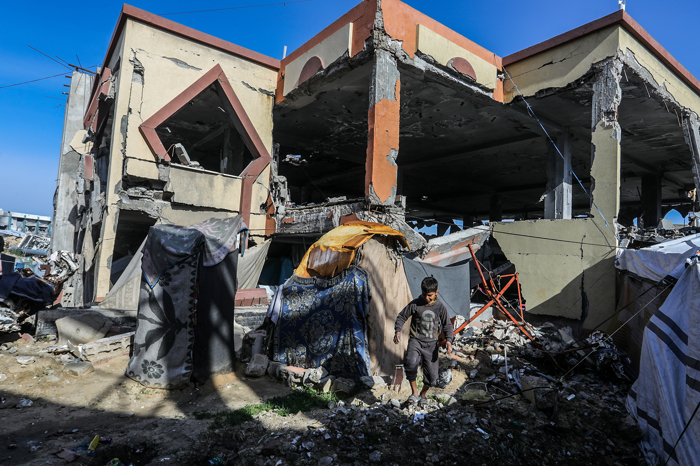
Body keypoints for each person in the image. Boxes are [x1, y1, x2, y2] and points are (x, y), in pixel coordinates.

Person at [394, 276, 453, 407]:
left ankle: (423, 395)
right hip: (415, 341)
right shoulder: (415, 304)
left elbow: (447, 325)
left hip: (432, 344)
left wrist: (449, 340)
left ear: (436, 292)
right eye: (424, 294)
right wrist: (398, 330)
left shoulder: (440, 307)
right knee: (410, 363)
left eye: (430, 295)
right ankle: (414, 393)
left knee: (432, 376)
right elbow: (402, 316)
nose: (427, 298)